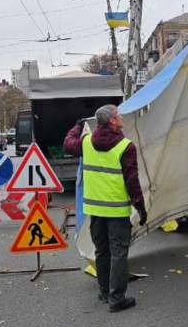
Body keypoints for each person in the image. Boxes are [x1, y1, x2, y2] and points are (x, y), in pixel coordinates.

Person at [63, 104, 147, 313]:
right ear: (112, 120)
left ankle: (104, 292)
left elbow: (67, 144)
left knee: (102, 251)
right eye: (119, 115)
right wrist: (140, 206)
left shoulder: (86, 142)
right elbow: (132, 180)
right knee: (118, 253)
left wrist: (76, 127)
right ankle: (116, 298)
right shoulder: (125, 146)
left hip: (95, 210)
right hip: (116, 211)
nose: (121, 117)